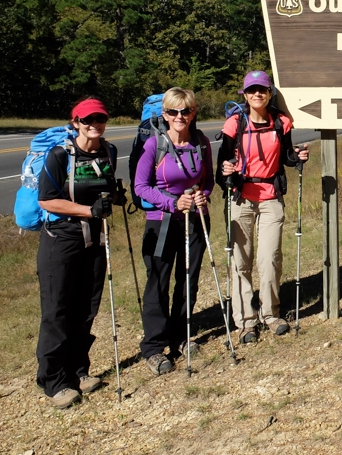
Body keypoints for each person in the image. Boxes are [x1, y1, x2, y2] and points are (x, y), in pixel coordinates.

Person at [35, 98, 122, 408]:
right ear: (75, 123)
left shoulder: (108, 151)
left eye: (100, 119)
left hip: (94, 238)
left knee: (87, 306)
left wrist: (115, 196)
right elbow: (46, 200)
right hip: (61, 239)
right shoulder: (61, 155)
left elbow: (105, 190)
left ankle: (78, 370)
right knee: (58, 310)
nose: (94, 124)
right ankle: (53, 380)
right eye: (87, 120)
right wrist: (89, 210)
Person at [217, 70, 309, 343]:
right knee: (241, 261)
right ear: (244, 95)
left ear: (270, 93)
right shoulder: (235, 124)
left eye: (263, 90)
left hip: (270, 197)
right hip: (241, 197)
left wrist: (298, 156)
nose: (258, 94)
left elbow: (287, 156)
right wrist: (227, 173)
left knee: (269, 259)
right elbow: (222, 167)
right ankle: (246, 321)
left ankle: (271, 314)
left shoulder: (281, 122)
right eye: (252, 90)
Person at [132, 87, 214, 375]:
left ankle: (181, 335)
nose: (180, 116)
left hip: (195, 219)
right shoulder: (155, 145)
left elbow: (208, 180)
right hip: (162, 221)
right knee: (158, 282)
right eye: (173, 111)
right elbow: (140, 187)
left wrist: (203, 195)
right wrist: (172, 202)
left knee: (188, 279)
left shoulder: (201, 142)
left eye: (186, 110)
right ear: (164, 114)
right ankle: (154, 346)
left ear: (193, 112)